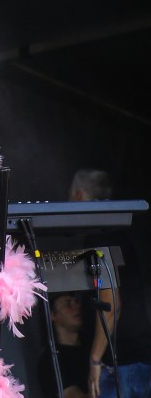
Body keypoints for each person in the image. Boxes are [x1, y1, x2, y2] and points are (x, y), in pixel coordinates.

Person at [70, 168, 151, 398]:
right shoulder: (120, 233)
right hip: (140, 355)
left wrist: (95, 359)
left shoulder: (98, 238)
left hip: (119, 364)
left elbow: (110, 304)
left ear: (79, 196)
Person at [38, 291, 93, 398]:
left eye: (76, 302)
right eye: (68, 304)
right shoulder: (50, 360)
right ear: (52, 315)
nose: (77, 307)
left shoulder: (91, 347)